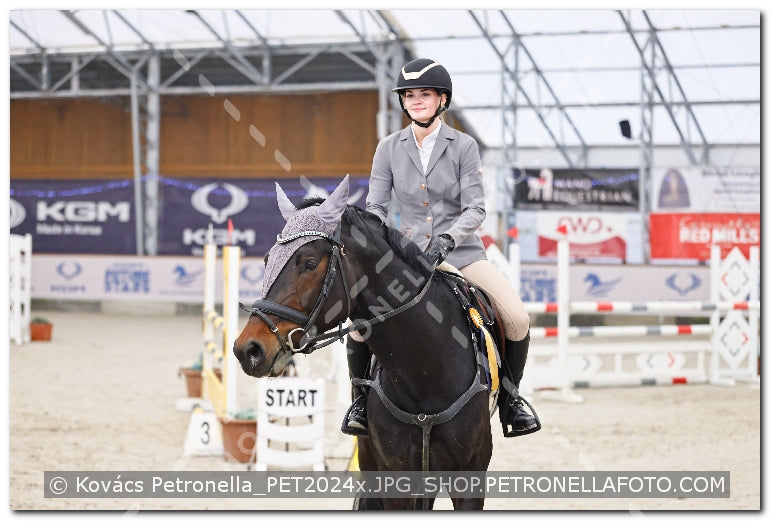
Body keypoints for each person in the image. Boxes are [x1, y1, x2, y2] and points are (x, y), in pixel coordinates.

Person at [342, 57, 539, 438]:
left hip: (462, 254)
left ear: (441, 100)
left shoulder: (464, 146)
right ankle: (360, 401)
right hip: (406, 256)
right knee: (361, 325)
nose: (416, 101)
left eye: (425, 94)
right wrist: (386, 244)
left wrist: (448, 239)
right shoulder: (388, 148)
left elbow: (476, 207)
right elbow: (377, 207)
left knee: (516, 318)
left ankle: (512, 402)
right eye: (410, 95)